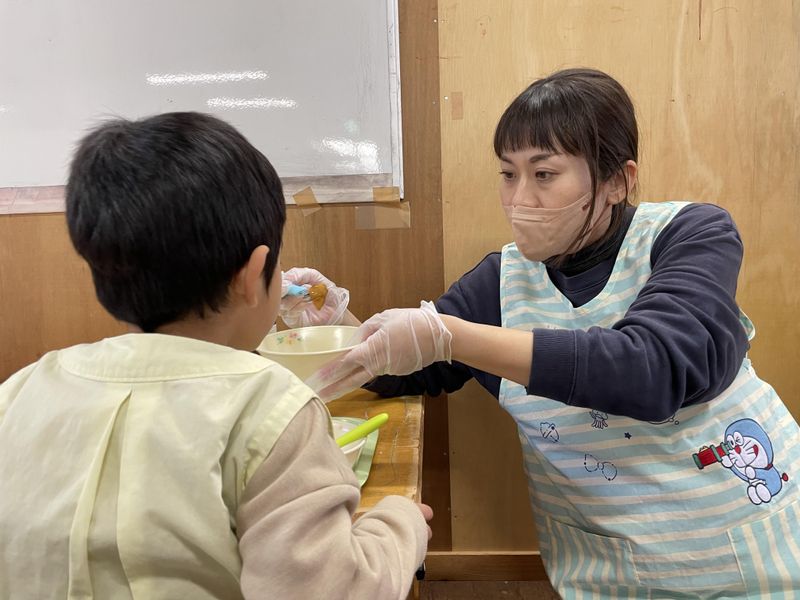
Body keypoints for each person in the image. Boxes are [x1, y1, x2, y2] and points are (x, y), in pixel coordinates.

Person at [298, 69, 800, 598]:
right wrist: (339, 329)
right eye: (508, 174)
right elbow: (412, 365)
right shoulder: (499, 282)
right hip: (614, 574)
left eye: (544, 174)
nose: (519, 199)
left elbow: (654, 368)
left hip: (753, 553)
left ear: (617, 181)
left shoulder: (690, 234)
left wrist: (448, 334)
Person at [0, 112, 431, 600]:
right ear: (253, 276)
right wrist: (400, 525)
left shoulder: (19, 391)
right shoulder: (273, 409)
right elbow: (336, 590)